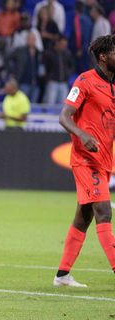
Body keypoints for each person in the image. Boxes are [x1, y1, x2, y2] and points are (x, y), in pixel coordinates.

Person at [53, 34, 115, 288]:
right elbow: (64, 116)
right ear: (103, 56)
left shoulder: (113, 85)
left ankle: (62, 276)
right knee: (104, 211)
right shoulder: (85, 81)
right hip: (85, 160)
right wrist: (81, 134)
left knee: (83, 217)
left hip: (105, 160)